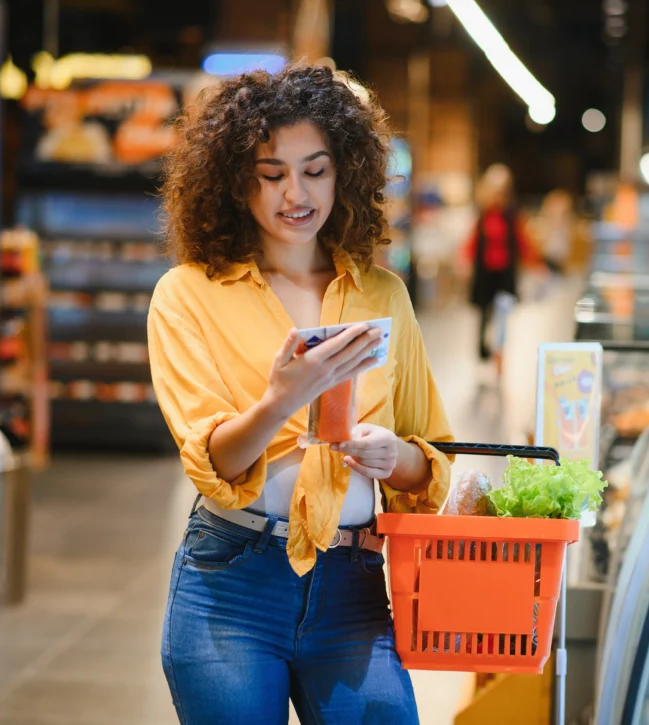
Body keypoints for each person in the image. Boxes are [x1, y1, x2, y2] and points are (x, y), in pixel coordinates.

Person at [147, 63, 453, 725]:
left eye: (315, 169)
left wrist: (393, 453)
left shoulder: (382, 295)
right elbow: (214, 461)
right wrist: (281, 399)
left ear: (344, 172)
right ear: (236, 181)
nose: (296, 193)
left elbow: (433, 460)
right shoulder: (187, 295)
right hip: (233, 584)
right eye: (272, 173)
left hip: (353, 588)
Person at [463, 163, 537, 366]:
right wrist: (465, 262)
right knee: (483, 314)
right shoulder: (482, 214)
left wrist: (536, 266)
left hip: (505, 273)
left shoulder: (513, 216)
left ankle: (499, 351)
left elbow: (523, 242)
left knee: (503, 314)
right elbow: (472, 241)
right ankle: (482, 350)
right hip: (485, 273)